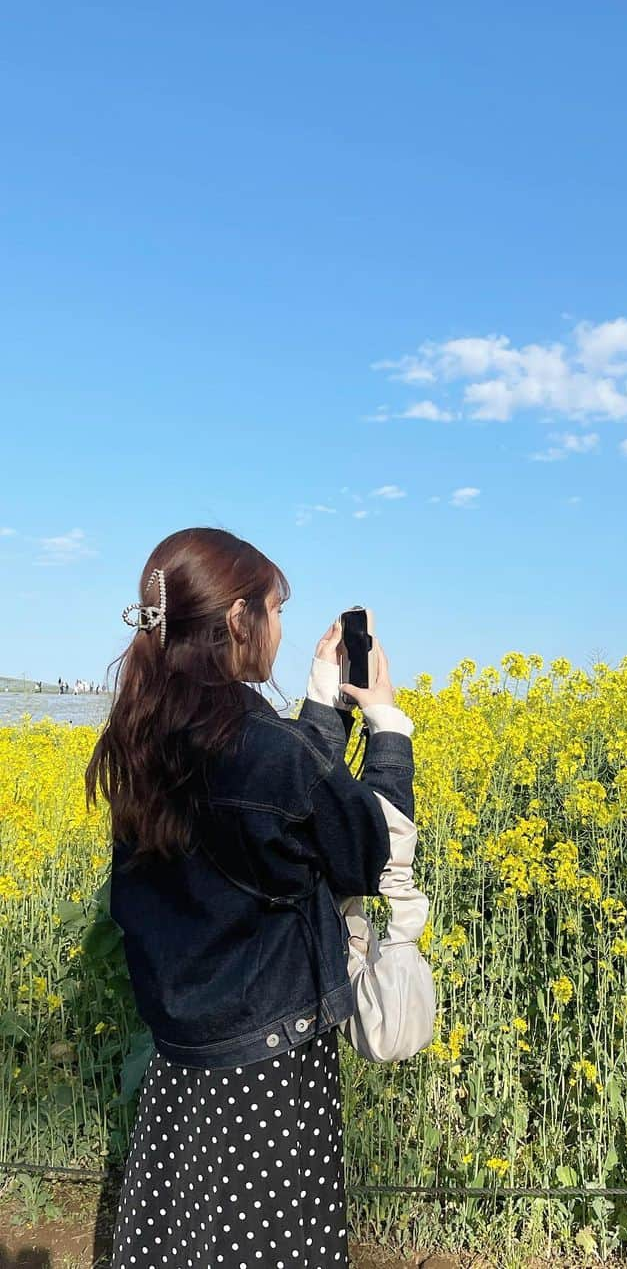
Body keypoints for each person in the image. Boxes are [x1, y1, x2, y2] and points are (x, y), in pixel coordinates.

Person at [87, 528, 416, 1268]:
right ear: (238, 621)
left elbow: (277, 813)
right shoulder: (264, 750)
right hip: (266, 1071)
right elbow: (365, 847)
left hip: (183, 1063)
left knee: (187, 1242)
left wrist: (320, 707)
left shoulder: (144, 733)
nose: (278, 627)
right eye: (273, 610)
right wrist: (388, 728)